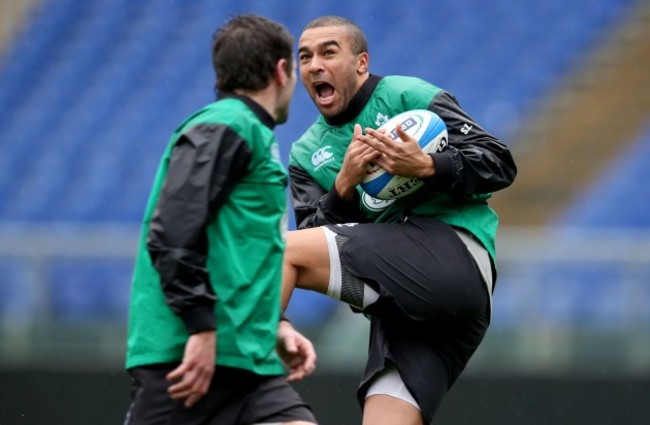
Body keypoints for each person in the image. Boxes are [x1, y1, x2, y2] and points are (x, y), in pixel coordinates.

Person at [281, 16, 517, 425]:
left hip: (453, 259)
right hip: (405, 308)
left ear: (361, 63)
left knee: (278, 250)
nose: (315, 64)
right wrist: (343, 188)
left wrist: (429, 165)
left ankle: (249, 382)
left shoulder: (409, 95)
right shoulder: (306, 154)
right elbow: (313, 239)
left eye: (328, 52)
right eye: (305, 57)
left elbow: (499, 162)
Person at [124, 15, 318, 425]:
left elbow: (240, 249)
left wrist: (275, 325)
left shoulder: (248, 131)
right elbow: (173, 231)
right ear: (282, 71)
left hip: (247, 359)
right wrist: (200, 327)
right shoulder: (227, 126)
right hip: (192, 357)